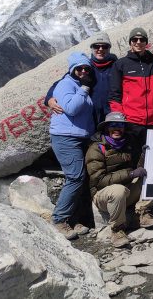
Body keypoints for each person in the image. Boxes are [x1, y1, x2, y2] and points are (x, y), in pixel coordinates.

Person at [86, 112, 153, 248]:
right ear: (106, 128)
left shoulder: (129, 143)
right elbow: (99, 180)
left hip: (126, 190)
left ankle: (142, 213)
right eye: (112, 125)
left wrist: (144, 155)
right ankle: (117, 229)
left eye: (120, 125)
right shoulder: (96, 148)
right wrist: (130, 174)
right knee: (118, 190)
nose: (116, 128)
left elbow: (138, 169)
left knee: (152, 178)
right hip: (102, 195)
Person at [49, 52, 96, 239]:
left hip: (79, 137)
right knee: (75, 177)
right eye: (79, 68)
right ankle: (59, 219)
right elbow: (71, 108)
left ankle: (73, 219)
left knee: (81, 178)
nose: (83, 71)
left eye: (86, 68)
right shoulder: (66, 84)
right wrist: (84, 89)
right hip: (65, 137)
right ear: (72, 69)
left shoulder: (76, 84)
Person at [46, 32, 117, 127]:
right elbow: (61, 83)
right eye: (96, 46)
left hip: (112, 115)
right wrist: (49, 99)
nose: (100, 49)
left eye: (104, 46)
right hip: (91, 117)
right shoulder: (85, 67)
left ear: (109, 48)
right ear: (92, 48)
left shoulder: (117, 66)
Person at [109, 27, 153, 149]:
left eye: (142, 39)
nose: (138, 42)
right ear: (130, 42)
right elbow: (114, 94)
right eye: (134, 39)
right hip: (131, 122)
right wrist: (120, 120)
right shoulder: (121, 64)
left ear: (146, 43)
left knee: (151, 159)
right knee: (133, 159)